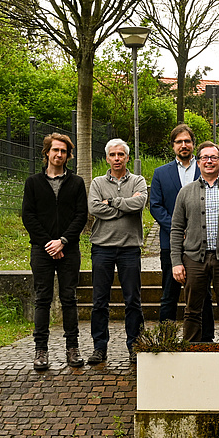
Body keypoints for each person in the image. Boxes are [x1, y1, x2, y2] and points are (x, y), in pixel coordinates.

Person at [170, 141, 219, 343]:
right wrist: (176, 262)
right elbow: (177, 228)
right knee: (192, 310)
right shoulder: (185, 192)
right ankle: (191, 351)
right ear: (198, 163)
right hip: (194, 259)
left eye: (213, 157)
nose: (209, 161)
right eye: (204, 157)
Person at [22, 133, 88, 370]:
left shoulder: (77, 183)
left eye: (63, 151)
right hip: (41, 250)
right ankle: (41, 350)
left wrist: (63, 241)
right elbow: (28, 216)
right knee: (42, 299)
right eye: (55, 150)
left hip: (68, 249)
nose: (59, 154)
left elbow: (81, 215)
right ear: (47, 152)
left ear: (68, 155)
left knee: (69, 298)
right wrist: (49, 244)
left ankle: (73, 348)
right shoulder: (33, 183)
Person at [149, 124, 214, 340]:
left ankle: (206, 340)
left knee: (202, 295)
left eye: (187, 141)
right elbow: (156, 206)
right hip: (171, 244)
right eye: (179, 142)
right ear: (173, 146)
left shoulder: (205, 169)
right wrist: (178, 228)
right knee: (169, 294)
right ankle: (166, 339)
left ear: (193, 144)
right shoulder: (161, 173)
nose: (183, 145)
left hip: (202, 246)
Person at [87, 138, 147, 364]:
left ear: (127, 157)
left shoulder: (138, 181)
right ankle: (99, 347)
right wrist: (124, 206)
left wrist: (110, 202)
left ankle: (135, 345)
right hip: (102, 248)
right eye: (113, 155)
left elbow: (139, 204)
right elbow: (94, 208)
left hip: (130, 249)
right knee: (99, 301)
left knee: (133, 300)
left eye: (121, 154)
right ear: (107, 158)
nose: (117, 158)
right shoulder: (97, 182)